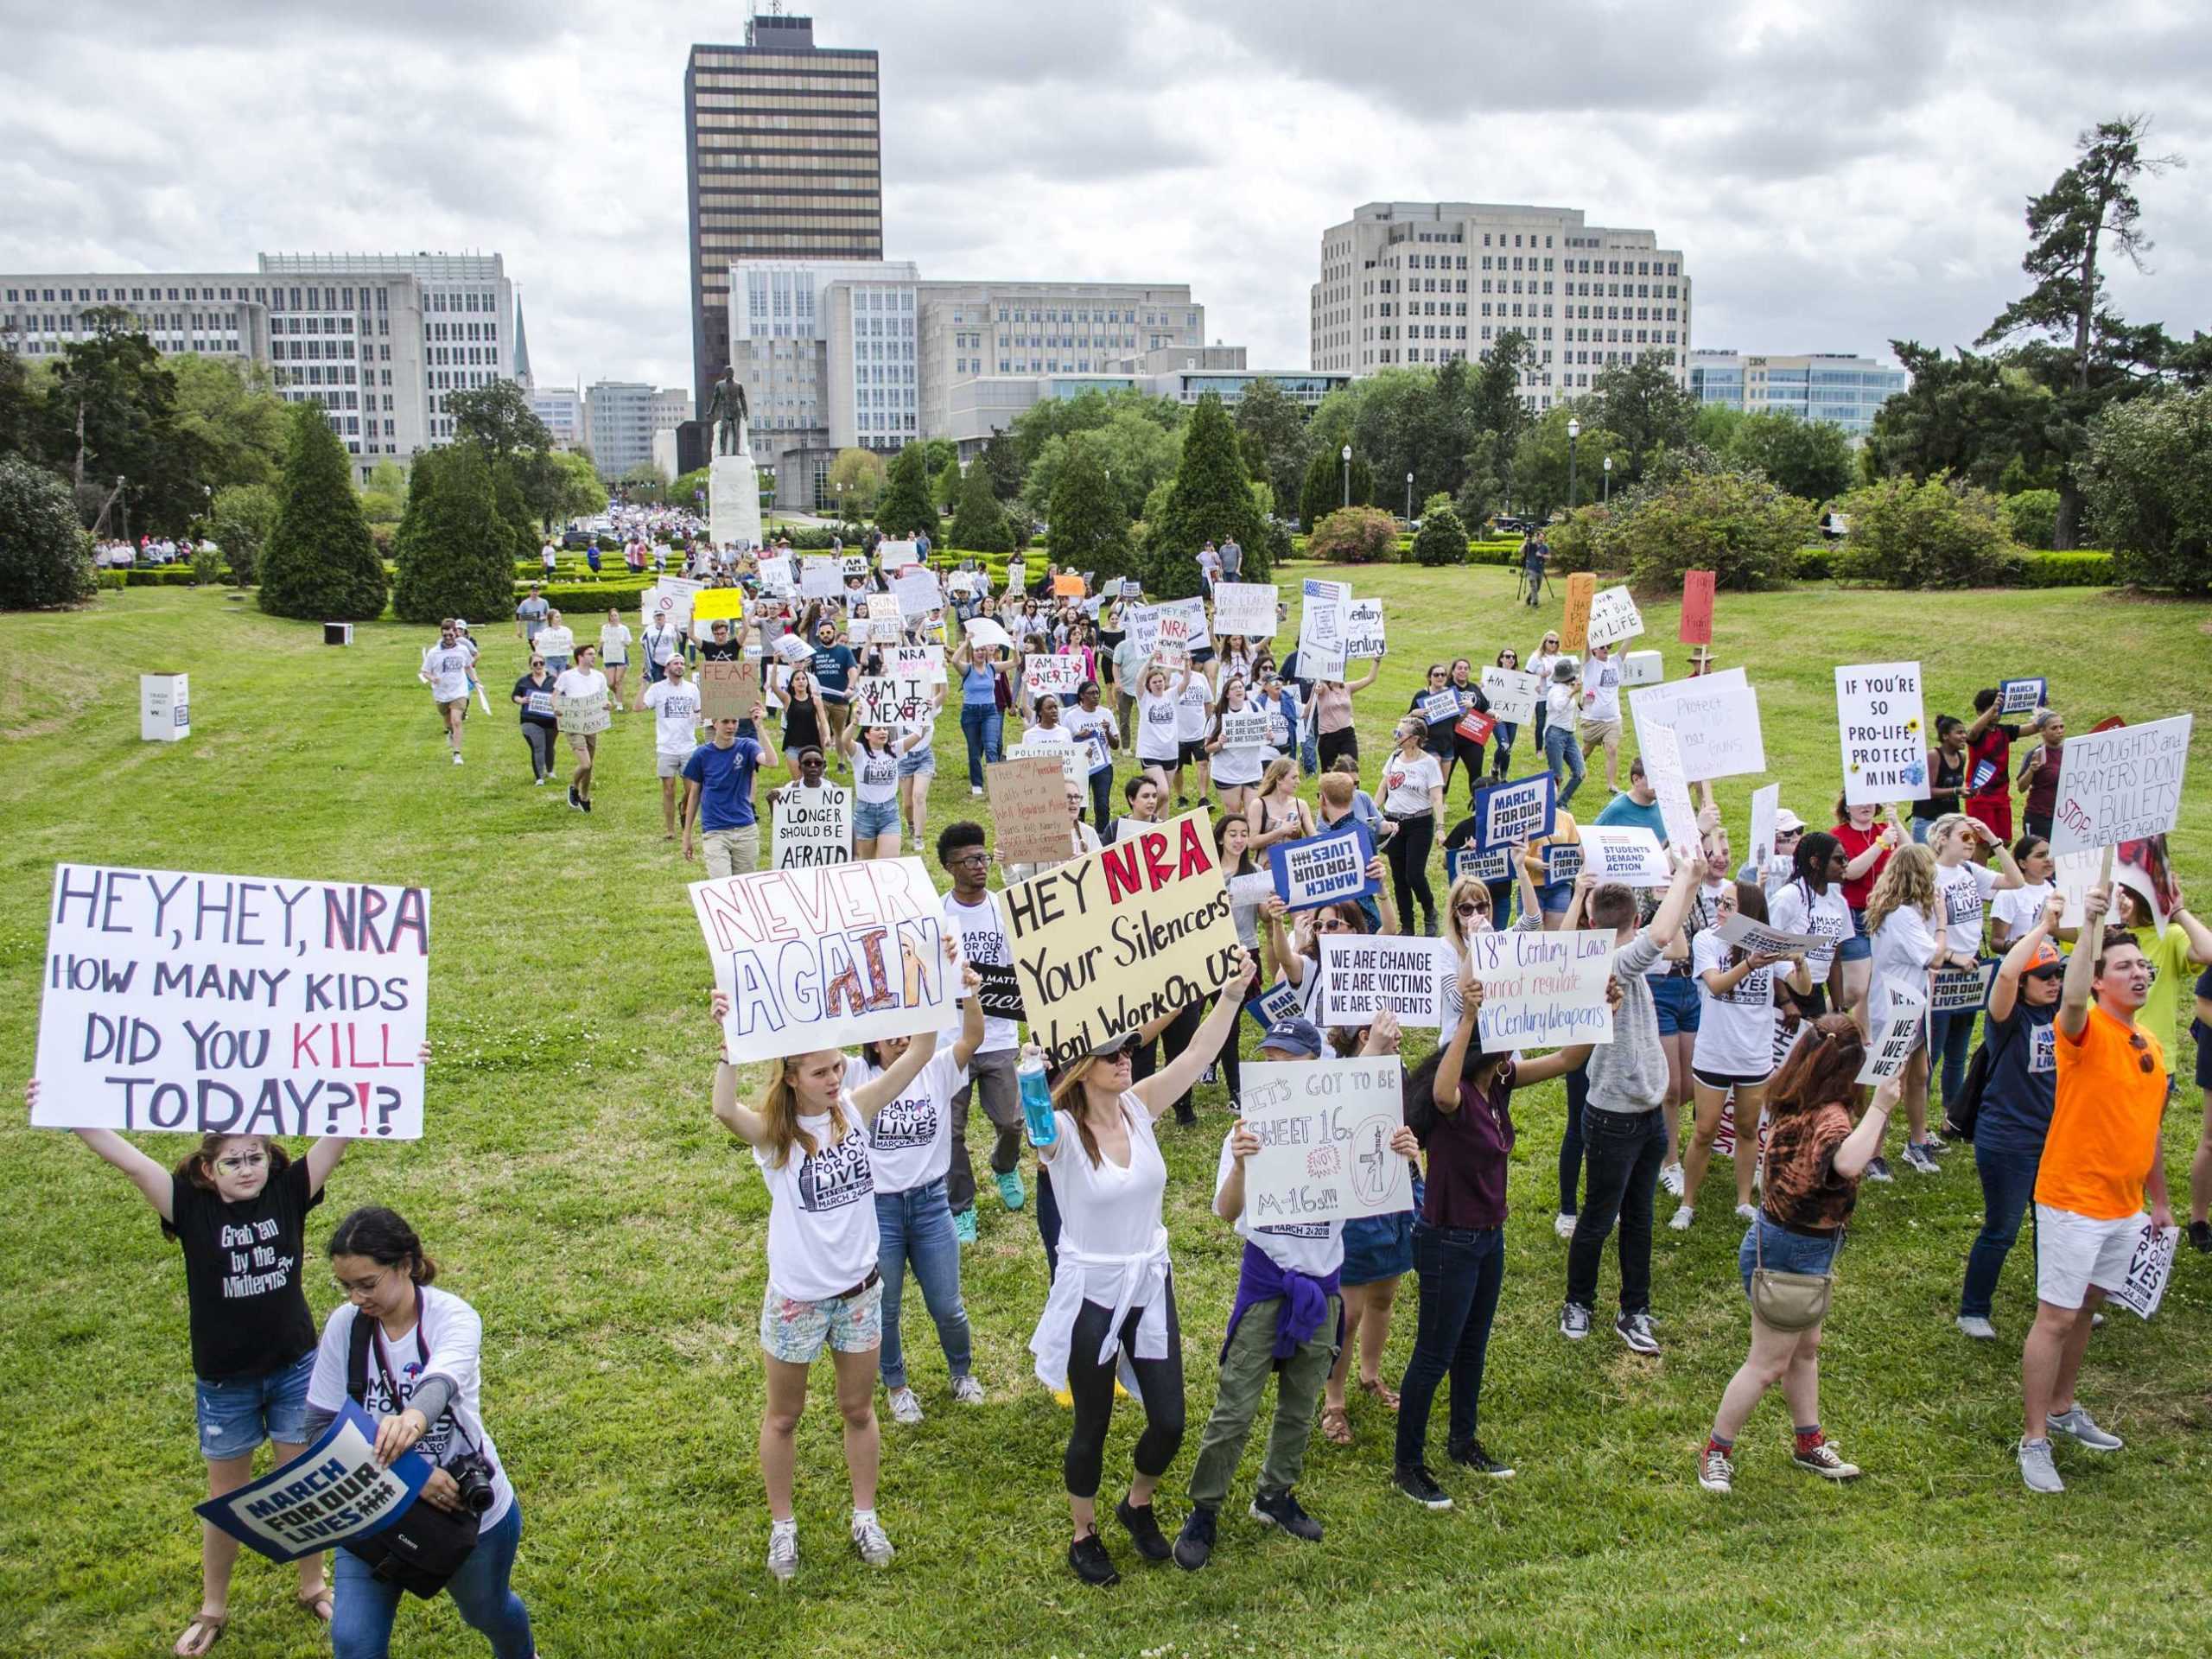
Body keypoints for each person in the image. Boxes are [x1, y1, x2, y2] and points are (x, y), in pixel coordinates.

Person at [35, 1085, 355, 1656]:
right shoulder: (188, 1205)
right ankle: (213, 1606)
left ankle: (313, 1585)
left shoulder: (289, 1192)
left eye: (256, 1155)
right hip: (225, 1382)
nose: (247, 1168)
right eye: (233, 1160)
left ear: (270, 1158)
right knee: (225, 1498)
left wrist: (395, 1065)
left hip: (293, 1368)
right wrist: (66, 1106)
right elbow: (128, 1160)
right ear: (208, 1169)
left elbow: (342, 1133)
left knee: (302, 1483)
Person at [707, 947, 958, 1577]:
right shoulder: (775, 1135)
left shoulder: (857, 1110)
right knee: (784, 1416)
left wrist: (932, 977)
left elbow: (922, 1051)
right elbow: (722, 1111)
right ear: (790, 1076)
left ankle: (865, 1518)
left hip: (858, 1292)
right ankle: (783, 1528)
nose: (834, 1079)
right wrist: (727, 1043)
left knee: (858, 1409)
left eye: (837, 1066)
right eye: (820, 1072)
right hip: (798, 1297)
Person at [1032, 951, 1256, 1586]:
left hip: (1148, 1283)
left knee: (1170, 1420)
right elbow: (1035, 1123)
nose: (1126, 1058)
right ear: (1082, 1066)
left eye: (1128, 1049)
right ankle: (1083, 1533)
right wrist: (1029, 1069)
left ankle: (1137, 1504)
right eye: (1111, 1054)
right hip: (1093, 1293)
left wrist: (1233, 995)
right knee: (1092, 1425)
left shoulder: (1138, 1105)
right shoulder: (1062, 1136)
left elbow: (1194, 1058)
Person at [1175, 1017, 1420, 1566]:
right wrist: (1239, 1164)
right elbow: (1225, 1211)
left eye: (1288, 1059)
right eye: (1270, 1058)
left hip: (1323, 1288)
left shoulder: (1348, 1123)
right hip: (1267, 1284)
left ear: (1317, 1068)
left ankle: (1275, 1494)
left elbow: (1382, 1189)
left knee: (1300, 1402)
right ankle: (1205, 1510)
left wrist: (1404, 1154)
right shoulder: (1247, 1129)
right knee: (1235, 1406)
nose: (1277, 1068)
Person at [1391, 964, 1604, 1510]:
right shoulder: (1457, 1092)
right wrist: (1466, 1018)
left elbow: (1567, 1060)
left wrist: (1604, 1007)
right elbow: (1441, 1090)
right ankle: (1408, 1465)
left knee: (1473, 1345)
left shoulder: (1500, 1081)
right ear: (1487, 1046)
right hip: (1447, 1240)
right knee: (1433, 1354)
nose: (1518, 1047)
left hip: (1489, 1237)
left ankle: (1463, 1442)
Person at [304, 1205, 535, 1659]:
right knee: (355, 1643)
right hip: (373, 1508)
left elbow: (440, 1383)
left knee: (486, 1612)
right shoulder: (343, 1327)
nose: (356, 1299)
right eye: (346, 1286)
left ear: (406, 1264)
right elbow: (317, 1427)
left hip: (464, 1513)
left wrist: (410, 1421)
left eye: (367, 1284)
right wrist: (411, 1476)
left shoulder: (453, 1317)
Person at [1697, 1032, 1900, 1496]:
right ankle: (1715, 1452)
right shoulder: (1830, 1116)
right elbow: (1847, 1163)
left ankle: (1809, 1442)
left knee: (1806, 1349)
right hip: (1792, 1253)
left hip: (1788, 1244)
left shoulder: (1793, 1097)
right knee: (1766, 1365)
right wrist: (1883, 1107)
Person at [2018, 882, 2171, 1494]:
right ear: (2102, 981)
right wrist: (2089, 925)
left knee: (2087, 1308)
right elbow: (2073, 995)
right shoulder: (2082, 1032)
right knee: (2055, 1316)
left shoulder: (2151, 1044)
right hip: (2072, 1201)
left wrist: (2158, 1202)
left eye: (2143, 965)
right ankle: (2033, 1439)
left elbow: (2150, 1129)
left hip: (2123, 1207)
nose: (2139, 974)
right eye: (2125, 966)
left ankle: (2063, 1407)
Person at [1562, 852, 1704, 1351]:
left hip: (1647, 1116)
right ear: (1636, 921)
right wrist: (1686, 876)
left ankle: (1634, 1309)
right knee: (1600, 1218)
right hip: (1612, 1117)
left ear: (1592, 920)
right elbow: (1663, 938)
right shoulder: (1609, 963)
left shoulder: (1627, 957)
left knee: (1639, 1217)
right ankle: (1578, 1301)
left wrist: (1686, 887)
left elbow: (1670, 937)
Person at [855, 972, 989, 1424]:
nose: (898, 1037)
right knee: (885, 1308)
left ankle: (962, 1374)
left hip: (932, 1204)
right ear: (871, 1043)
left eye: (905, 1025)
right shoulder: (855, 1077)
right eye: (887, 1031)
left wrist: (967, 991)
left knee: (947, 1305)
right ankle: (897, 1388)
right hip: (880, 1211)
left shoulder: (934, 1070)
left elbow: (972, 1037)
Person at [1957, 894, 2069, 1340]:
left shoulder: (2064, 1013)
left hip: (2054, 1137)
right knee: (2002, 1229)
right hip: (2008, 1139)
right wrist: (2042, 928)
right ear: (2023, 982)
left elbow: (2084, 975)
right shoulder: (2007, 1017)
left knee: (2054, 1225)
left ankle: (2058, 1302)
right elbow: (2005, 971)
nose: (2053, 982)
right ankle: (1973, 1310)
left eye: (2057, 974)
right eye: (2043, 976)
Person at [1672, 881, 1814, 1230]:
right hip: (1714, 1053)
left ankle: (1744, 1202)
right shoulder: (1707, 940)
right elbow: (1716, 985)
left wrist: (1799, 962)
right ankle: (1687, 1204)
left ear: (1749, 913)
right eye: (1720, 901)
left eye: (1729, 904)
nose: (1720, 908)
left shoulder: (1769, 944)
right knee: (1704, 1130)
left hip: (1754, 1055)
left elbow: (1804, 988)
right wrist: (1750, 963)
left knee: (1748, 1129)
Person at [936, 822, 1029, 1239]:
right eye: (970, 860)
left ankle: (1004, 1166)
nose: (980, 866)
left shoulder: (1004, 909)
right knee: (950, 1131)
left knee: (1012, 1122)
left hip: (1001, 1035)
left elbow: (1023, 968)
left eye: (983, 857)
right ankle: (961, 1205)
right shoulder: (936, 916)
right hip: (952, 1042)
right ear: (948, 866)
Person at [1928, 814, 2025, 1114]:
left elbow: (2015, 881)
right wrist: (1951, 957)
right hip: (1943, 967)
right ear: (1943, 838)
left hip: (1973, 968)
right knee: (1934, 1048)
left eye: (1973, 837)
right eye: (1964, 837)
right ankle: (1916, 1107)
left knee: (1959, 1048)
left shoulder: (1970, 870)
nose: (1972, 843)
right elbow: (1919, 932)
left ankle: (1951, 1111)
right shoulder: (1929, 875)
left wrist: (1993, 840)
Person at [1865, 842, 1947, 1173]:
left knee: (1920, 1074)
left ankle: (1917, 1143)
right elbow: (1935, 956)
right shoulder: (1902, 916)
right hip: (1897, 1005)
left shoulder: (1905, 910)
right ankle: (1871, 1153)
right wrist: (1942, 922)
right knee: (1889, 1081)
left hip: (1913, 1002)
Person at [1765, 830, 1853, 1017]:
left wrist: (1840, 1009)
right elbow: (1766, 951)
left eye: (1846, 859)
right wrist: (1786, 1002)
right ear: (1815, 862)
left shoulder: (1839, 902)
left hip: (1816, 992)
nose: (1845, 865)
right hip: (1784, 991)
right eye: (1838, 860)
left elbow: (1835, 959)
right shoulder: (1789, 897)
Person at [682, 708, 778, 876]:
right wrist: (687, 834)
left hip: (745, 829)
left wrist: (759, 727)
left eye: (734, 722)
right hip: (715, 831)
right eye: (725, 721)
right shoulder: (702, 755)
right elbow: (694, 794)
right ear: (714, 723)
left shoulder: (747, 746)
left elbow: (772, 762)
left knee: (745, 887)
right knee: (721, 885)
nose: (730, 726)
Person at [1831, 797, 1903, 1018]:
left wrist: (1897, 823)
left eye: (1870, 801)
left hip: (1886, 915)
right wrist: (1881, 844)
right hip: (1854, 916)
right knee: (1855, 988)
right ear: (1846, 806)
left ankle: (1865, 1039)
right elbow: (1849, 872)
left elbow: (1912, 856)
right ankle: (1819, 1022)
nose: (1866, 806)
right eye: (1858, 802)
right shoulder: (1837, 836)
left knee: (1874, 985)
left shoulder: (1886, 829)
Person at [1379, 715, 1446, 937]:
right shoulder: (1395, 757)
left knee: (1414, 874)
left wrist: (1440, 828)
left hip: (1420, 822)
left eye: (1400, 733)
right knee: (1399, 877)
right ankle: (1407, 925)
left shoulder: (1429, 764)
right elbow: (1382, 789)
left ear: (1415, 739)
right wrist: (1372, 815)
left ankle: (1429, 911)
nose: (1396, 737)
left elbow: (1437, 798)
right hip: (1394, 822)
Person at [642, 654, 702, 841]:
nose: (680, 666)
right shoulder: (657, 689)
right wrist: (642, 685)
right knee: (668, 789)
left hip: (688, 746)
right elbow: (638, 707)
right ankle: (670, 829)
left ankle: (685, 810)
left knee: (692, 790)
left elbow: (699, 712)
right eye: (676, 663)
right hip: (666, 747)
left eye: (683, 663)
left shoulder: (692, 689)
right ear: (667, 667)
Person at [842, 719, 916, 861]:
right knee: (867, 863)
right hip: (864, 814)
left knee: (889, 863)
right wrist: (855, 721)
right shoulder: (859, 751)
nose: (883, 732)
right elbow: (845, 740)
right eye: (877, 729)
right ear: (867, 735)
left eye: (885, 729)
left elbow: (918, 735)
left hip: (889, 813)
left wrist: (925, 715)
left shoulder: (895, 749)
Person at [1964, 690, 2024, 843]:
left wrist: (2041, 707)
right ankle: (1974, 863)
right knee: (1983, 843)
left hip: (2002, 794)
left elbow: (2034, 728)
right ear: (1980, 712)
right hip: (1981, 794)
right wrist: (1993, 707)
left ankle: (1969, 862)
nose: (1996, 714)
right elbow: (1971, 734)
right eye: (1991, 710)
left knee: (2005, 841)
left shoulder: (2004, 730)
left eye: (1998, 710)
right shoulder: (1978, 734)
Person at [554, 643, 607, 813]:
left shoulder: (599, 677)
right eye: (590, 654)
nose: (594, 657)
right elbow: (555, 696)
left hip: (591, 724)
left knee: (590, 765)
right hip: (574, 723)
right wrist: (556, 708)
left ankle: (584, 797)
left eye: (594, 654)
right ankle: (573, 787)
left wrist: (607, 705)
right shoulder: (568, 676)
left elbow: (604, 699)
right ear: (580, 657)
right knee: (585, 764)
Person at [1061, 680, 1120, 830]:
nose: (1095, 696)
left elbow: (1116, 745)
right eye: (1091, 693)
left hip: (1103, 765)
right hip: (1080, 766)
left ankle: (1102, 838)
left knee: (1102, 805)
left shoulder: (1106, 713)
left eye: (1097, 693)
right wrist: (1077, 736)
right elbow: (1065, 746)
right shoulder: (1071, 717)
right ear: (1082, 696)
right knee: (1080, 806)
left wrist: (1107, 732)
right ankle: (1079, 837)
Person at [952, 638, 1007, 798]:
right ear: (972, 652)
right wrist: (966, 642)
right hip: (970, 714)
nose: (980, 653)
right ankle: (977, 784)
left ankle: (996, 783)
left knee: (991, 747)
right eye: (977, 650)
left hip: (990, 712)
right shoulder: (967, 669)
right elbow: (955, 660)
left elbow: (1015, 662)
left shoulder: (992, 668)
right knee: (974, 750)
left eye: (983, 650)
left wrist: (1013, 645)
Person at [1987, 835, 2059, 950]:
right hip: (2020, 964)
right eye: (2040, 856)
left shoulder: (2056, 888)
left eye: (2051, 854)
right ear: (2022, 863)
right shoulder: (2009, 894)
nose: (2048, 859)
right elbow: (1995, 942)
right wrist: (2015, 946)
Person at [1311, 658, 1381, 772]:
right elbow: (1318, 689)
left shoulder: (1347, 687)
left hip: (1347, 733)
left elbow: (1370, 678)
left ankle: (1354, 789)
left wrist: (1376, 661)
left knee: (1352, 768)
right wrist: (1317, 688)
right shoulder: (1324, 688)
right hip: (1328, 736)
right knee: (1328, 772)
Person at [420, 620, 473, 766]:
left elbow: (468, 666)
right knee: (448, 720)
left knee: (457, 720)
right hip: (442, 693)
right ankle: (450, 732)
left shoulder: (462, 650)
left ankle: (457, 754)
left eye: (451, 635)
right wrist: (433, 678)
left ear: (455, 633)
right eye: (445, 636)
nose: (448, 638)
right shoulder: (434, 653)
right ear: (441, 635)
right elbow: (424, 671)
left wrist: (476, 681)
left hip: (459, 690)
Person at [1912, 715, 1971, 842]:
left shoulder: (1962, 757)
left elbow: (1955, 787)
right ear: (1945, 736)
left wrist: (1967, 792)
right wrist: (1956, 791)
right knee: (1927, 861)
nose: (1964, 736)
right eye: (1959, 732)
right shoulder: (1933, 755)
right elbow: (1928, 791)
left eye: (1965, 732)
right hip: (1928, 821)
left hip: (1951, 821)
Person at [1578, 641, 1624, 794]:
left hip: (1613, 719)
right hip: (1592, 719)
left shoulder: (1615, 662)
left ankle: (1611, 785)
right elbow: (1585, 645)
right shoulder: (1590, 664)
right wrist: (1588, 625)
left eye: (1608, 646)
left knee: (1612, 749)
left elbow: (1628, 642)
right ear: (1594, 650)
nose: (1605, 649)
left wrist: (1635, 621)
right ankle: (1576, 769)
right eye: (1602, 647)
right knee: (1587, 749)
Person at [809, 617, 859, 757]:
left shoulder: (844, 651)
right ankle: (821, 759)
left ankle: (841, 761)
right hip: (821, 699)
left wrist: (850, 687)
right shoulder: (814, 652)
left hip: (841, 699)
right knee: (820, 729)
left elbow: (853, 671)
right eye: (822, 633)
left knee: (839, 732)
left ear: (834, 632)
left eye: (828, 632)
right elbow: (804, 669)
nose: (825, 636)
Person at [509, 652, 560, 786]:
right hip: (530, 719)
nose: (538, 666)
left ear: (545, 664)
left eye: (541, 663)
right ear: (530, 666)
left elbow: (562, 696)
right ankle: (539, 778)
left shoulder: (554, 680)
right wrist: (521, 700)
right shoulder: (524, 681)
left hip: (550, 720)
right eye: (535, 664)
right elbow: (514, 696)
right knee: (538, 747)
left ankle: (550, 771)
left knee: (550, 747)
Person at [2015, 709, 2066, 841]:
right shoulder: (2035, 754)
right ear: (2042, 731)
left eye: (2062, 727)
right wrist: (2031, 770)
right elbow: (2021, 788)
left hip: (2065, 817)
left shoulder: (2070, 751)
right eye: (2054, 728)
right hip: (2039, 816)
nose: (2059, 731)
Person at [1542, 659, 1586, 808]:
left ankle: (1561, 802)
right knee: (1557, 776)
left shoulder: (1568, 689)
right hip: (1555, 734)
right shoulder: (1556, 691)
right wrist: (1574, 692)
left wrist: (1582, 705)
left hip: (1569, 734)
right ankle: (1551, 806)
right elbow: (1560, 706)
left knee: (1580, 772)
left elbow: (1572, 712)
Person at [778, 666, 826, 786]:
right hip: (793, 745)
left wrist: (828, 736)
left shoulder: (815, 700)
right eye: (797, 679)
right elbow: (773, 686)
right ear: (792, 684)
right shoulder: (788, 699)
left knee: (815, 782)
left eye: (804, 678)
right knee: (798, 783)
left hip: (812, 746)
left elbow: (824, 721)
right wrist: (774, 663)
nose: (801, 681)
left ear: (807, 682)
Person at [1488, 646, 1524, 781]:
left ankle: (1503, 778)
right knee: (1504, 745)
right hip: (1498, 717)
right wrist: (1483, 687)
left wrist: (1535, 690)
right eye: (1508, 656)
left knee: (1508, 749)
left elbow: (1525, 697)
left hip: (1513, 717)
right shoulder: (1493, 675)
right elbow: (1487, 695)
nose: (1511, 659)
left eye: (1513, 657)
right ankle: (1495, 767)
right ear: (1501, 659)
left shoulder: (1520, 678)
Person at [601, 607, 632, 710]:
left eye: (616, 615)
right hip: (609, 656)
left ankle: (619, 705)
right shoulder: (605, 628)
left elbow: (629, 643)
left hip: (620, 656)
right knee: (610, 683)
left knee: (618, 681)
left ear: (619, 616)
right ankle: (616, 694)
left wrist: (624, 642)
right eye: (612, 616)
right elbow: (603, 640)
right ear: (609, 617)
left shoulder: (624, 628)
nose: (614, 618)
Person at [534, 609, 574, 676]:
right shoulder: (545, 632)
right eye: (557, 617)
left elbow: (570, 644)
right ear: (551, 619)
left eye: (560, 617)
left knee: (562, 679)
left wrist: (572, 646)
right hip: (550, 661)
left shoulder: (566, 630)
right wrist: (536, 644)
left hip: (563, 661)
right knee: (553, 679)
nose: (559, 619)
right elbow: (540, 646)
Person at [513, 584, 549, 650]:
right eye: (533, 591)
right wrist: (519, 630)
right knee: (535, 651)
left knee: (542, 651)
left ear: (539, 592)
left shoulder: (544, 602)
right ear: (529, 592)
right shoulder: (525, 603)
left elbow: (548, 615)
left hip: (542, 631)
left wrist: (543, 618)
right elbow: (518, 616)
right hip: (531, 632)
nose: (535, 593)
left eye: (536, 591)